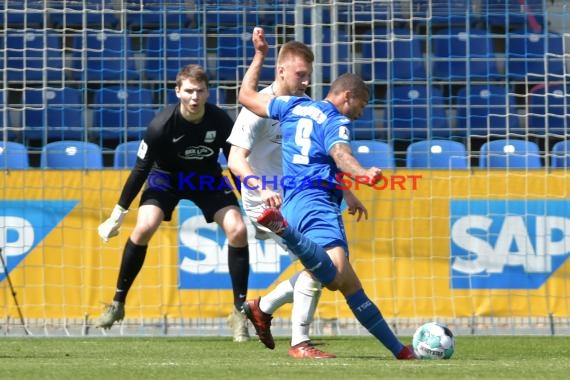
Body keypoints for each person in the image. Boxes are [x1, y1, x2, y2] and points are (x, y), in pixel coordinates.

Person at [236, 27, 415, 360]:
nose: (358, 115)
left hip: (295, 199)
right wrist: (362, 173)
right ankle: (283, 236)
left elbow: (246, 95)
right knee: (331, 276)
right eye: (359, 108)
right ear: (347, 97)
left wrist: (258, 54)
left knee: (348, 284)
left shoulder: (293, 107)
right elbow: (339, 153)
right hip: (315, 204)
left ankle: (402, 351)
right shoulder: (335, 120)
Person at [96, 64, 251, 342]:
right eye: (189, 91)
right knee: (144, 227)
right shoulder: (160, 125)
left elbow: (235, 163)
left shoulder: (221, 121)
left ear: (207, 92)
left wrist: (251, 203)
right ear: (177, 91)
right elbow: (140, 170)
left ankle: (240, 313)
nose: (194, 97)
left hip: (206, 179)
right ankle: (117, 304)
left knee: (238, 229)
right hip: (165, 178)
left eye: (200, 91)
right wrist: (118, 213)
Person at [227, 40, 355, 359]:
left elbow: (320, 156)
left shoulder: (304, 106)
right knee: (323, 263)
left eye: (309, 75)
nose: (306, 81)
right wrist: (261, 188)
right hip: (266, 202)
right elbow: (234, 160)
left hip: (297, 197)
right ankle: (298, 341)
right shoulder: (258, 108)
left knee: (326, 265)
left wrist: (348, 192)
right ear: (282, 70)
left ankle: (262, 307)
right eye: (301, 74)